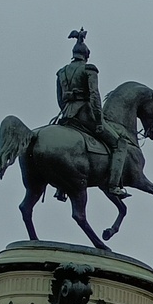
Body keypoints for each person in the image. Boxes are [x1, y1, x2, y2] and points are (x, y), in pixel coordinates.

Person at [54, 28, 126, 195]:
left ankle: (61, 188)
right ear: (86, 56)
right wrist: (99, 120)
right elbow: (94, 94)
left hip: (67, 115)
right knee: (120, 144)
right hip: (86, 115)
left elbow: (59, 98)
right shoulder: (89, 69)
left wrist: (66, 111)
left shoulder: (61, 72)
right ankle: (114, 185)